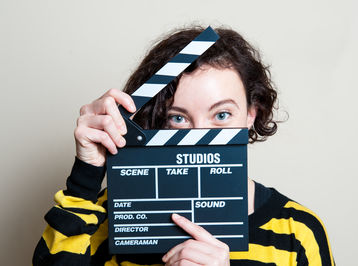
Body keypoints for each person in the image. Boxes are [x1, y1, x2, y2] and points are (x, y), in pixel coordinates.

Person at [33, 26, 335, 265]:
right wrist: (85, 174)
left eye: (221, 115)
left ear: (250, 115)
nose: (200, 136)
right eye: (178, 118)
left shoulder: (297, 231)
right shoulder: (114, 216)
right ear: (157, 120)